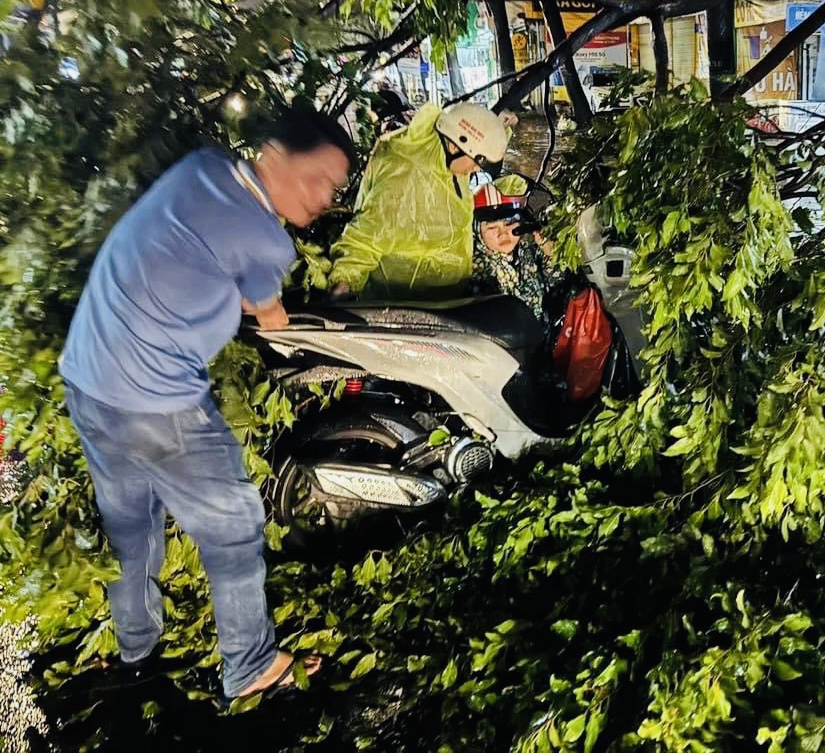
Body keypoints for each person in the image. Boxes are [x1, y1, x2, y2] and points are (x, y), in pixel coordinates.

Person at [59, 106, 357, 702]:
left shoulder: (203, 167)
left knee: (133, 526)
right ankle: (249, 665)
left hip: (88, 380)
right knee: (234, 526)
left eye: (335, 187)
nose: (324, 197)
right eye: (316, 178)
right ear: (273, 154)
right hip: (157, 401)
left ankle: (136, 649)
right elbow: (268, 315)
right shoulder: (266, 239)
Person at [329, 101, 513, 300]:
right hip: (409, 307)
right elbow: (365, 237)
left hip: (443, 300)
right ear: (454, 145)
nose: (477, 169)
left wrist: (499, 127)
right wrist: (343, 287)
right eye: (478, 161)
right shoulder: (407, 175)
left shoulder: (444, 158)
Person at [472, 184, 553, 318]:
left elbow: (554, 284)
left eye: (509, 222)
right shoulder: (479, 269)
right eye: (492, 227)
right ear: (477, 230)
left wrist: (549, 256)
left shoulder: (526, 249)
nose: (502, 234)